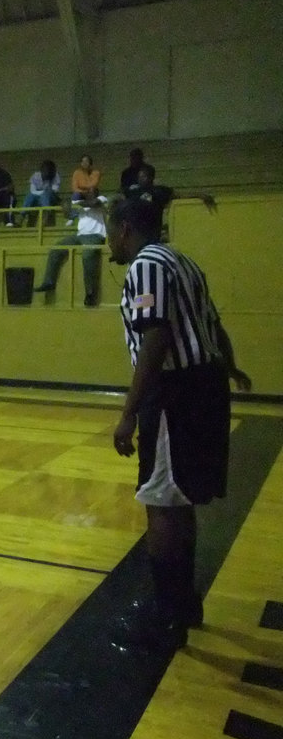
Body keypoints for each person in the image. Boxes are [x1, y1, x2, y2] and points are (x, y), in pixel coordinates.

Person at [108, 197, 252, 651]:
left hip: (173, 392)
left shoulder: (145, 266)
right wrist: (230, 368)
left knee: (162, 502)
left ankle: (165, 616)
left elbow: (156, 335)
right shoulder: (183, 262)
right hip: (205, 386)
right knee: (181, 496)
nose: (108, 240)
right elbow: (214, 323)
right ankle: (185, 603)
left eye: (110, 230)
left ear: (126, 229)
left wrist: (129, 412)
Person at [33, 190, 109, 306]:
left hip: (95, 235)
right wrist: (66, 207)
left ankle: (90, 293)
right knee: (56, 249)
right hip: (80, 234)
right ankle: (49, 282)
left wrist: (76, 203)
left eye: (91, 191)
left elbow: (94, 203)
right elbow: (68, 214)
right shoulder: (79, 202)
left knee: (88, 255)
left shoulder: (102, 198)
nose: (88, 192)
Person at [20, 160, 61, 226]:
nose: (46, 173)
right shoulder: (36, 176)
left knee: (46, 194)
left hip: (51, 198)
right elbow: (32, 191)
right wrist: (43, 192)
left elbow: (55, 190)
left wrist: (44, 192)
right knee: (29, 196)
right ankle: (22, 216)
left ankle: (46, 214)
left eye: (48, 171)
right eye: (45, 171)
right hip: (37, 196)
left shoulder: (55, 176)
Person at [66, 155, 101, 225]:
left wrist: (82, 186)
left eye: (86, 161)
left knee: (93, 192)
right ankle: (72, 217)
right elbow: (74, 188)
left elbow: (94, 185)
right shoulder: (77, 173)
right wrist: (84, 190)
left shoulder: (96, 173)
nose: (84, 163)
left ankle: (92, 216)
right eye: (82, 161)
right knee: (75, 195)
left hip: (91, 193)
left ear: (90, 163)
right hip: (81, 193)